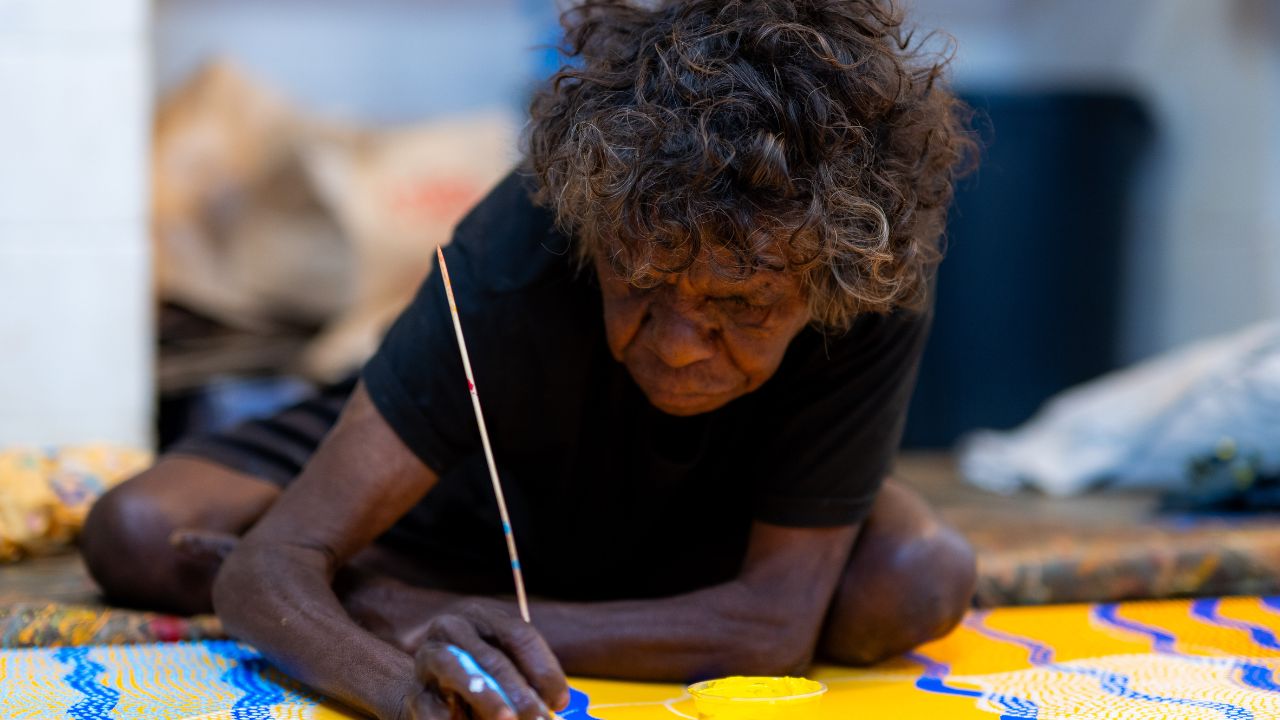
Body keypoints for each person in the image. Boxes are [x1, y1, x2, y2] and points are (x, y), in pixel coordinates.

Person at [82, 1, 978, 718]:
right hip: (467, 491)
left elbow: (773, 627)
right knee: (138, 531)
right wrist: (410, 690)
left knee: (917, 580)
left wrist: (404, 615)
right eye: (638, 285)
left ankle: (379, 590)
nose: (671, 346)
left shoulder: (868, 258)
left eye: (739, 308)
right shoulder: (532, 233)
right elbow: (266, 566)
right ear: (596, 235)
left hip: (704, 514)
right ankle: (574, 612)